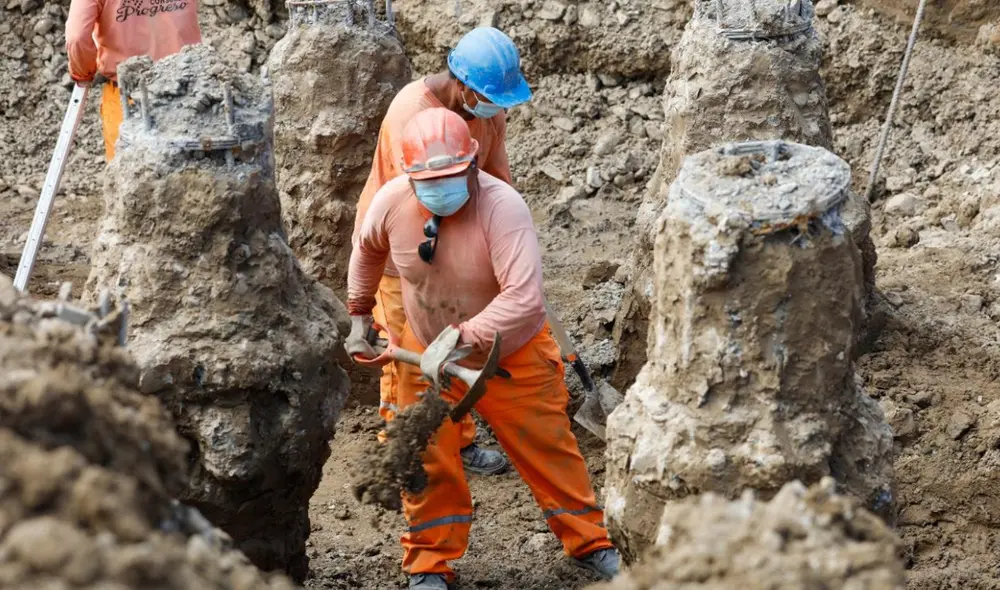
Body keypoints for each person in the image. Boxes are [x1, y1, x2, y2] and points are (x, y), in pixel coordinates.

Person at [346, 108, 620, 590]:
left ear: (473, 165)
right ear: (408, 176)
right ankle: (428, 564)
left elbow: (524, 297)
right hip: (424, 348)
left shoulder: (503, 208)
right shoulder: (391, 203)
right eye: (427, 180)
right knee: (427, 458)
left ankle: (591, 541)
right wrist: (358, 315)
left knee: (546, 447)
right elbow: (367, 250)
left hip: (508, 352)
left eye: (450, 177)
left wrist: (460, 337)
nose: (439, 188)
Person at [353, 26, 532, 477]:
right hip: (405, 254)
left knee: (453, 340)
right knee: (406, 357)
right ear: (461, 84)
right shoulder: (412, 118)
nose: (495, 108)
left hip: (461, 242)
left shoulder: (488, 110)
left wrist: (509, 240)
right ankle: (400, 451)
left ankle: (460, 439)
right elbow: (418, 200)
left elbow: (496, 177)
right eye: (488, 97)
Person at [66, 0, 201, 161]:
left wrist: (83, 72)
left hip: (127, 97)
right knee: (196, 171)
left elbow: (77, 37)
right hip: (190, 91)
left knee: (130, 171)